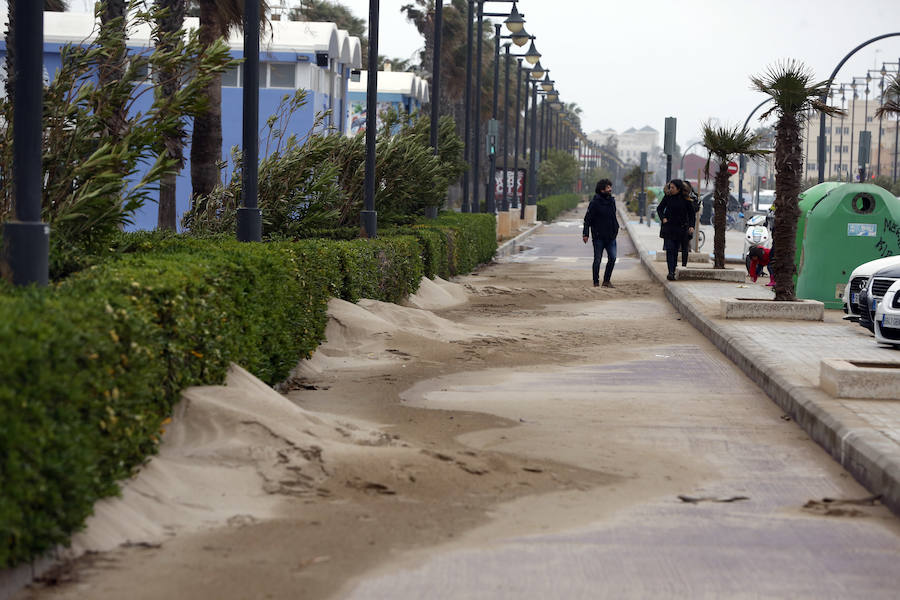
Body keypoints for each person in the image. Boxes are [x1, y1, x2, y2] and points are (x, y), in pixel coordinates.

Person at [582, 178, 619, 288]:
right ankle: (596, 282)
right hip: (598, 237)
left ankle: (606, 281)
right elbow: (587, 219)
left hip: (611, 236)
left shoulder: (612, 201)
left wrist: (615, 228)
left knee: (612, 258)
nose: (610, 189)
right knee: (597, 259)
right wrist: (585, 234)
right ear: (602, 190)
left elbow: (613, 216)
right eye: (608, 187)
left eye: (610, 187)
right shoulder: (595, 203)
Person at [656, 179, 694, 281]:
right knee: (669, 249)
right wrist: (663, 218)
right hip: (669, 227)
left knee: (675, 250)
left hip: (680, 229)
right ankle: (671, 272)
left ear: (678, 188)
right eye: (670, 187)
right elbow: (659, 208)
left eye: (673, 188)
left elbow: (691, 214)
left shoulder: (686, 199)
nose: (671, 189)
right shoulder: (668, 197)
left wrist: (691, 226)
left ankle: (674, 268)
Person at [680, 181, 699, 267]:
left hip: (686, 226)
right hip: (677, 226)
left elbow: (693, 213)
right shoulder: (675, 198)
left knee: (685, 246)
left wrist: (691, 226)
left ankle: (684, 264)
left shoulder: (691, 199)